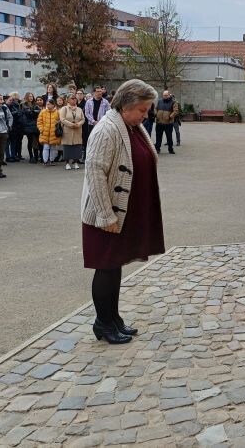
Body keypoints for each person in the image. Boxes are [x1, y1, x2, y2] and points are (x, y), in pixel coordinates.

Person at [82, 79, 163, 344]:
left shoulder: (132, 126)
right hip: (107, 214)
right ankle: (103, 323)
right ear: (126, 106)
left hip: (123, 210)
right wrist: (106, 215)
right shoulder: (107, 130)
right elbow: (94, 174)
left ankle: (112, 318)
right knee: (106, 267)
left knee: (114, 266)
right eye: (142, 109)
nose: (146, 114)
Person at [60, 94, 85, 170]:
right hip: (67, 130)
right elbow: (62, 119)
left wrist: (78, 124)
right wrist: (71, 125)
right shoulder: (64, 108)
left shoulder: (79, 109)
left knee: (77, 147)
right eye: (72, 98)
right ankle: (67, 163)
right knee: (67, 147)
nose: (74, 100)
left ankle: (75, 162)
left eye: (75, 98)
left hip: (77, 130)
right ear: (68, 100)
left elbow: (83, 119)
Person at [38, 99, 61, 167]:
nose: (47, 105)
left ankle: (51, 160)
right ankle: (45, 161)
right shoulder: (43, 112)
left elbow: (60, 122)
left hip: (54, 133)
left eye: (49, 104)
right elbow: (39, 122)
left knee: (53, 147)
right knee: (46, 147)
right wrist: (41, 129)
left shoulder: (57, 112)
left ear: (53, 104)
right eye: (47, 104)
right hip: (45, 133)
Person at [154, 90, 176, 154]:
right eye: (164, 95)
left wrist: (170, 116)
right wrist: (156, 114)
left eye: (166, 95)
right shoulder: (159, 101)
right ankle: (157, 149)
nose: (165, 96)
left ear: (169, 95)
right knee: (158, 137)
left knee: (169, 137)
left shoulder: (173, 102)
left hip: (168, 123)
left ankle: (170, 149)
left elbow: (175, 111)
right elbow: (155, 108)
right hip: (159, 122)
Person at [21, 92, 41, 163]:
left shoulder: (35, 105)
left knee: (36, 141)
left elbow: (39, 112)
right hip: (28, 126)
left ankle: (35, 157)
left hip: (35, 125)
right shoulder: (23, 105)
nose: (31, 97)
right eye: (29, 96)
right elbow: (28, 114)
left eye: (32, 96)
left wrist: (33, 112)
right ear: (27, 97)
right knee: (30, 141)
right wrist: (33, 112)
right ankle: (31, 156)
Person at [6, 92, 24, 162]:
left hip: (16, 125)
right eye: (10, 100)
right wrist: (16, 113)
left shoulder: (16, 105)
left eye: (12, 100)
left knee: (13, 141)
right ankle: (8, 156)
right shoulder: (5, 106)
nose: (11, 101)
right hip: (9, 126)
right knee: (8, 142)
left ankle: (13, 155)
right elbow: (9, 116)